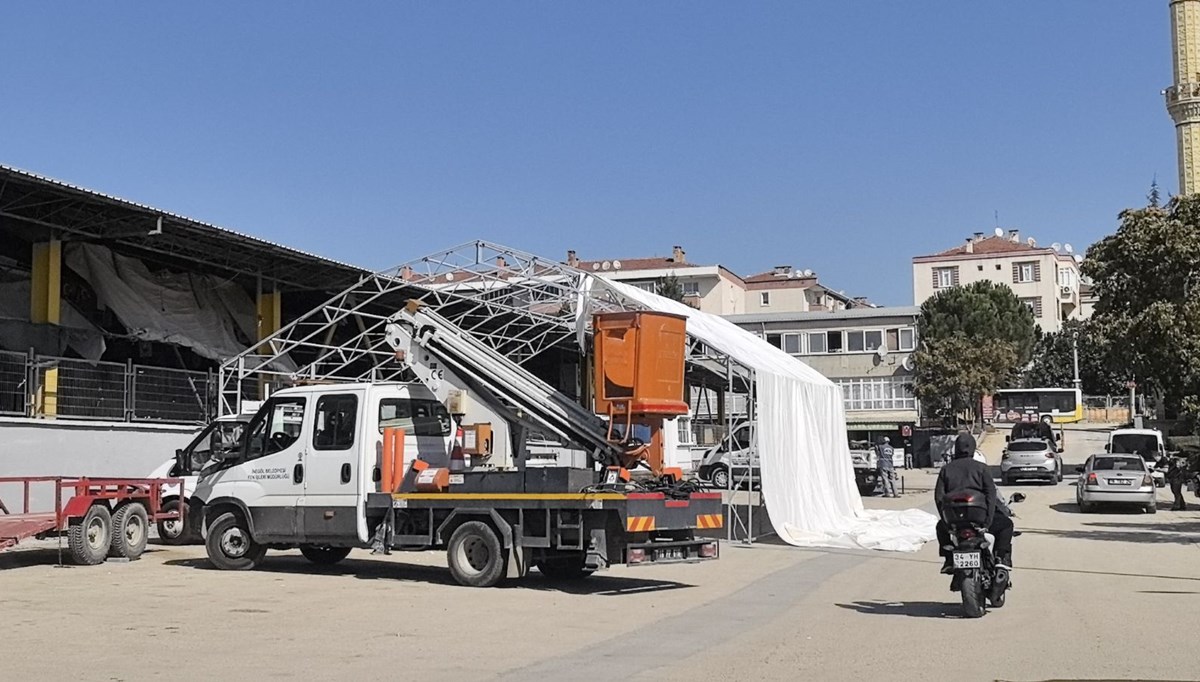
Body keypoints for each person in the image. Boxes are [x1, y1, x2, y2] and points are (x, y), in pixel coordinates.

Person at [934, 433, 1014, 574]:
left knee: (939, 528)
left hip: (955, 522)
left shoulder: (946, 469)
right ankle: (1001, 558)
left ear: (956, 449)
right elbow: (991, 495)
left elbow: (939, 497)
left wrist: (947, 524)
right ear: (973, 448)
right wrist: (987, 523)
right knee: (1007, 525)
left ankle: (948, 559)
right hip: (980, 520)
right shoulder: (981, 468)